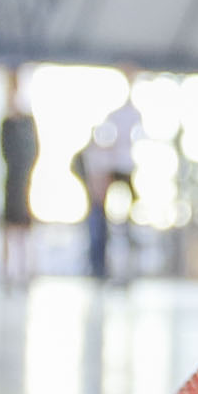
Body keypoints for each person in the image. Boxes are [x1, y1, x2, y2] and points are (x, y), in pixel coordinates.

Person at [77, 78, 143, 283]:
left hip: (124, 173)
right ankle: (100, 268)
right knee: (101, 226)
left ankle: (125, 268)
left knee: (124, 224)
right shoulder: (109, 127)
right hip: (111, 177)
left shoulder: (134, 117)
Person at [0, 71, 41, 284]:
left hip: (24, 179)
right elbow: (3, 150)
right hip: (11, 178)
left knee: (24, 225)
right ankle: (6, 270)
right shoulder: (6, 123)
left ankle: (25, 269)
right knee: (8, 224)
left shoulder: (28, 122)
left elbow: (33, 149)